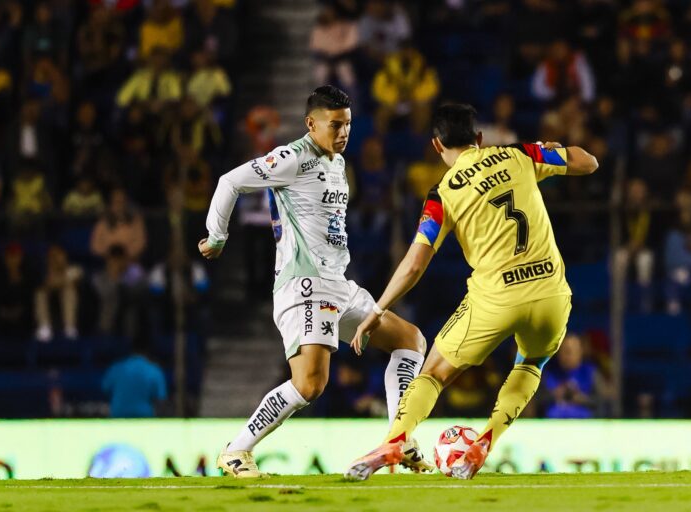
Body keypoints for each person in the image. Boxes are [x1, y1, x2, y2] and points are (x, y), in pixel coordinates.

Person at [344, 103, 598, 481]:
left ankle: (395, 440)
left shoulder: (442, 193)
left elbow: (414, 265)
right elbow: (588, 162)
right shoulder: (519, 154)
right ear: (478, 137)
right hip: (551, 294)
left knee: (433, 373)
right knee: (530, 365)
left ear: (436, 145)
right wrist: (555, 148)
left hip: (496, 298)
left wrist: (378, 310)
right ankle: (485, 441)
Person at [198, 86, 428, 478]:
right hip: (305, 285)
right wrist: (216, 237)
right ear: (311, 124)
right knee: (309, 385)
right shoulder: (292, 158)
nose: (344, 132)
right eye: (335, 125)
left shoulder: (337, 163)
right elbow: (229, 181)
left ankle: (399, 439)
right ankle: (236, 451)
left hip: (338, 284)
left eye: (348, 124)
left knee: (411, 340)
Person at [102, 339, 167, 418]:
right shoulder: (154, 370)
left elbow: (105, 389)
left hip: (118, 417)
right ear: (149, 351)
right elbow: (161, 400)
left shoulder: (116, 368)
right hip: (144, 418)